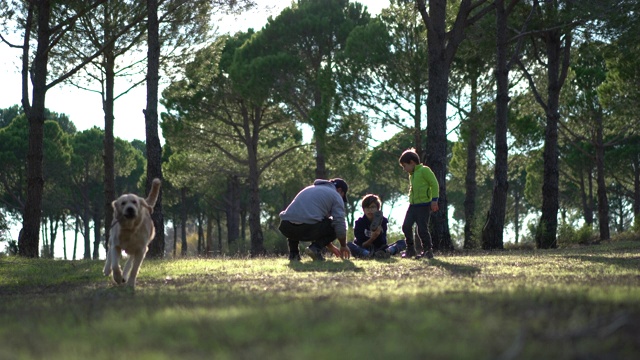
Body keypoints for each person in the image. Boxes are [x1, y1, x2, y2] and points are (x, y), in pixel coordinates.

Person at [278, 178, 351, 261]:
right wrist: (343, 245)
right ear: (340, 190)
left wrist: (330, 246)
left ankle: (294, 254)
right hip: (307, 227)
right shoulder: (336, 195)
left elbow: (304, 216)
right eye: (343, 196)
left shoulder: (309, 188)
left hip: (286, 226)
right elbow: (339, 223)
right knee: (335, 225)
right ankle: (315, 248)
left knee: (296, 219)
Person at [398, 148, 439, 259]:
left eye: (404, 166)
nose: (404, 169)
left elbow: (434, 184)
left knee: (421, 229)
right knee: (406, 226)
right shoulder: (412, 174)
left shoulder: (424, 170)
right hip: (413, 205)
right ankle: (410, 250)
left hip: (424, 205)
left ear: (412, 162)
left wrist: (434, 200)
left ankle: (427, 251)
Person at [348, 194, 406, 259]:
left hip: (380, 249)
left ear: (377, 209)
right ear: (363, 209)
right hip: (364, 249)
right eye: (367, 207)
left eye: (372, 207)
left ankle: (386, 252)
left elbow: (383, 243)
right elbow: (361, 244)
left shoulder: (383, 221)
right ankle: (369, 255)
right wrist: (373, 237)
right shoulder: (359, 223)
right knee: (349, 245)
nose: (370, 210)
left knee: (403, 242)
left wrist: (379, 234)